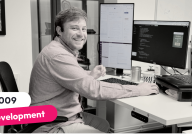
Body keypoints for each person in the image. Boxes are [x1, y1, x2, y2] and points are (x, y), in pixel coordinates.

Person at [29, 7, 159, 134]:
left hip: (63, 116)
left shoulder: (60, 50)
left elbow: (67, 76)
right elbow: (93, 90)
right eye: (74, 28)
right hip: (52, 125)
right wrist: (138, 90)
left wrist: (89, 75)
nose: (81, 34)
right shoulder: (58, 55)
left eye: (84, 29)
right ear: (59, 30)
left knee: (104, 125)